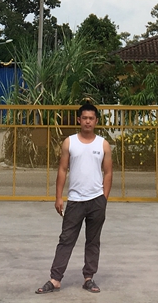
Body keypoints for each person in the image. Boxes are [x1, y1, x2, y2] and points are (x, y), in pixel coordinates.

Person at [35, 102, 112, 294]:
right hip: (75, 200)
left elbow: (108, 172)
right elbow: (62, 169)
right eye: (84, 118)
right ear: (79, 120)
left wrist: (104, 198)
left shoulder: (103, 144)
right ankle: (55, 279)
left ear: (96, 121)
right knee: (66, 239)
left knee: (93, 241)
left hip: (96, 200)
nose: (88, 121)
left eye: (91, 118)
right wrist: (58, 197)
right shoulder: (69, 142)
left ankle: (89, 278)